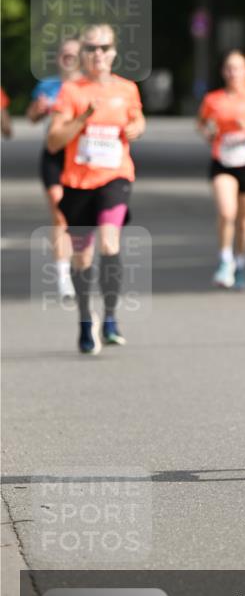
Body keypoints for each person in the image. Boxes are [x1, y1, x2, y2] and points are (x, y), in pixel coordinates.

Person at [47, 23, 145, 354]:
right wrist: (82, 119)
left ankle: (112, 319)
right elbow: (53, 141)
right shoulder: (71, 91)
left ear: (114, 52)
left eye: (103, 48)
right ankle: (86, 320)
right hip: (77, 183)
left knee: (109, 239)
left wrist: (136, 128)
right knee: (82, 256)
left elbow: (138, 119)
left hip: (116, 176)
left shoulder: (127, 88)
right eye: (90, 48)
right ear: (83, 54)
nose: (97, 54)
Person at [197, 50, 245, 290]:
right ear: (224, 72)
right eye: (229, 68)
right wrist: (208, 133)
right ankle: (224, 260)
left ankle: (240, 264)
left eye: (237, 68)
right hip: (222, 161)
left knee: (243, 220)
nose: (233, 73)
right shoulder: (214, 99)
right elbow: (202, 125)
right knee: (226, 212)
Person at [26, 37, 81, 301]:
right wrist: (38, 110)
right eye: (65, 53)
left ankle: (82, 264)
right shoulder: (47, 85)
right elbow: (32, 117)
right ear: (58, 57)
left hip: (82, 158)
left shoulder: (89, 86)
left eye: (74, 53)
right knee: (60, 213)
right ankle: (63, 276)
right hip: (54, 155)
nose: (69, 57)